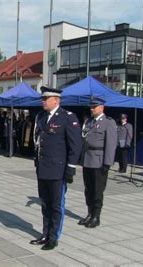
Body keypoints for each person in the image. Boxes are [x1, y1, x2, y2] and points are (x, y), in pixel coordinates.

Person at [30, 86, 82, 250]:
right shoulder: (41, 117)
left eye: (46, 99)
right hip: (43, 168)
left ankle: (53, 237)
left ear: (56, 100)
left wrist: (70, 168)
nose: (43, 101)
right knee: (45, 204)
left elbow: (76, 145)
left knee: (56, 205)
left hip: (58, 170)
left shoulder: (67, 117)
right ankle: (45, 234)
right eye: (42, 98)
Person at [78, 97, 117, 228]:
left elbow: (111, 145)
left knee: (97, 190)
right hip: (87, 159)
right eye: (91, 107)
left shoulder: (108, 122)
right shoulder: (89, 122)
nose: (92, 109)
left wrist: (107, 163)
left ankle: (96, 216)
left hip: (99, 161)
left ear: (102, 107)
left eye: (94, 107)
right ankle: (89, 213)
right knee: (88, 190)